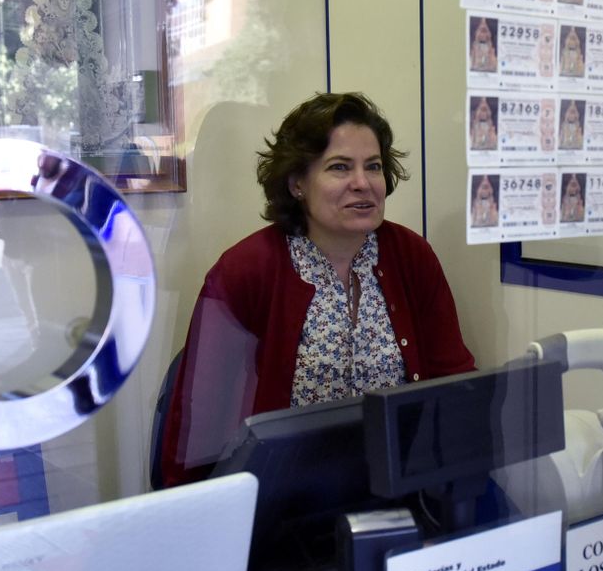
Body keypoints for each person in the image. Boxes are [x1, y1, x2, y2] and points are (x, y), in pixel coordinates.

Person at [160, 93, 474, 487]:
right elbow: (197, 431)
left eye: (373, 166)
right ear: (297, 184)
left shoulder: (411, 257)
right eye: (340, 167)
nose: (362, 183)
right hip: (282, 501)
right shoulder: (244, 271)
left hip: (396, 489)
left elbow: (456, 386)